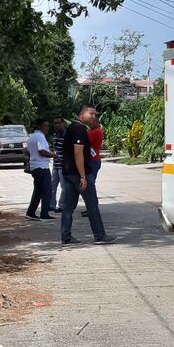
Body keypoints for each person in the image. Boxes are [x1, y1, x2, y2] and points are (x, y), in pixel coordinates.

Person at [60, 105, 115, 245]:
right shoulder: (79, 129)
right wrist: (83, 176)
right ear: (82, 114)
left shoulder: (71, 127)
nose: (94, 117)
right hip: (79, 174)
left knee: (68, 207)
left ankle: (66, 237)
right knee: (92, 205)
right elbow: (78, 153)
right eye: (91, 113)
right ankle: (99, 235)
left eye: (95, 114)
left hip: (68, 172)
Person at [25, 118, 54, 220]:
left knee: (38, 191)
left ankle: (31, 212)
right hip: (42, 167)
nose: (47, 128)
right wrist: (54, 155)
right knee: (47, 191)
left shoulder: (31, 137)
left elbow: (28, 151)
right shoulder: (40, 137)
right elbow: (42, 151)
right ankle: (44, 213)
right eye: (45, 126)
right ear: (39, 126)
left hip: (35, 166)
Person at [49, 117, 66, 211]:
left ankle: (62, 205)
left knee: (64, 187)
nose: (56, 125)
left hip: (63, 165)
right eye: (55, 123)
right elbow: (54, 148)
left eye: (58, 123)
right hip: (55, 165)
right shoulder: (55, 135)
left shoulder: (66, 135)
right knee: (52, 186)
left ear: (63, 123)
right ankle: (51, 205)